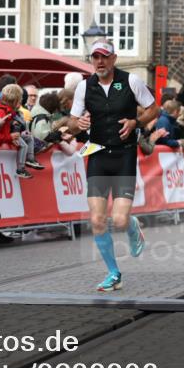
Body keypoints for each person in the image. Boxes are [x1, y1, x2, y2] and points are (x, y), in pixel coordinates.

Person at [68, 39, 158, 292]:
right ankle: (113, 273)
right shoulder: (85, 87)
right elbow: (72, 123)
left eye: (104, 57)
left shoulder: (131, 81)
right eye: (95, 57)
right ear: (91, 60)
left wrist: (135, 123)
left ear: (114, 58)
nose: (100, 61)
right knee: (97, 219)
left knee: (118, 220)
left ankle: (132, 227)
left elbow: (154, 110)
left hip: (124, 155)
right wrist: (79, 125)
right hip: (97, 155)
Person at [0, 83, 42, 179]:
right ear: (15, 100)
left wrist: (17, 130)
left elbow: (7, 128)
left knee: (28, 137)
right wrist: (9, 137)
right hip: (2, 141)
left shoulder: (8, 110)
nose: (21, 102)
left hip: (7, 137)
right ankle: (20, 169)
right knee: (23, 145)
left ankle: (30, 159)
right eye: (20, 99)